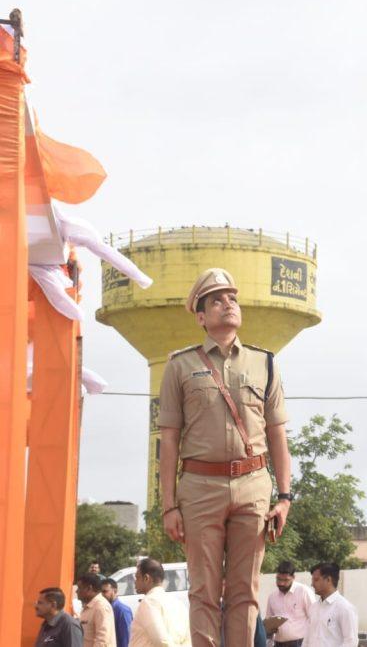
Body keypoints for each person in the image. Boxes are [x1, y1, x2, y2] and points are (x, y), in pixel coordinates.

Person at [158, 267, 294, 646]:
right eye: (216, 299)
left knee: (245, 591)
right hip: (199, 487)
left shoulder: (264, 363)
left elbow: (277, 433)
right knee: (203, 591)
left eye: (232, 298)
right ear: (201, 316)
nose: (227, 304)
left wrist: (284, 497)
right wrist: (169, 506)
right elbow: (168, 440)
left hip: (254, 485)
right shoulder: (179, 365)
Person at [128, 558, 189, 647]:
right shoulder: (178, 603)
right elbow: (188, 640)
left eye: (137, 577)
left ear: (146, 578)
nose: (135, 582)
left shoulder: (149, 602)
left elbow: (162, 642)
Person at [307, 563, 358, 647]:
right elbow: (307, 639)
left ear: (328, 580)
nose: (312, 584)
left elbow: (351, 642)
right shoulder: (313, 607)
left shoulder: (345, 608)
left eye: (316, 580)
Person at [265, 560, 315, 647]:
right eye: (278, 579)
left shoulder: (303, 591)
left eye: (285, 580)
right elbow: (268, 621)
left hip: (300, 643)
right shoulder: (272, 596)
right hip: (278, 644)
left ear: (293, 577)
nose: (281, 583)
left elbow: (315, 618)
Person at [77, 573, 116, 647]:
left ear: (89, 588)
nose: (77, 591)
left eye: (79, 588)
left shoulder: (101, 607)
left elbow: (103, 640)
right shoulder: (89, 606)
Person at [100, 578, 133, 647]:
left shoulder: (122, 611)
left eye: (105, 591)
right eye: (101, 592)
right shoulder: (104, 609)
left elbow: (126, 639)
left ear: (115, 591)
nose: (102, 595)